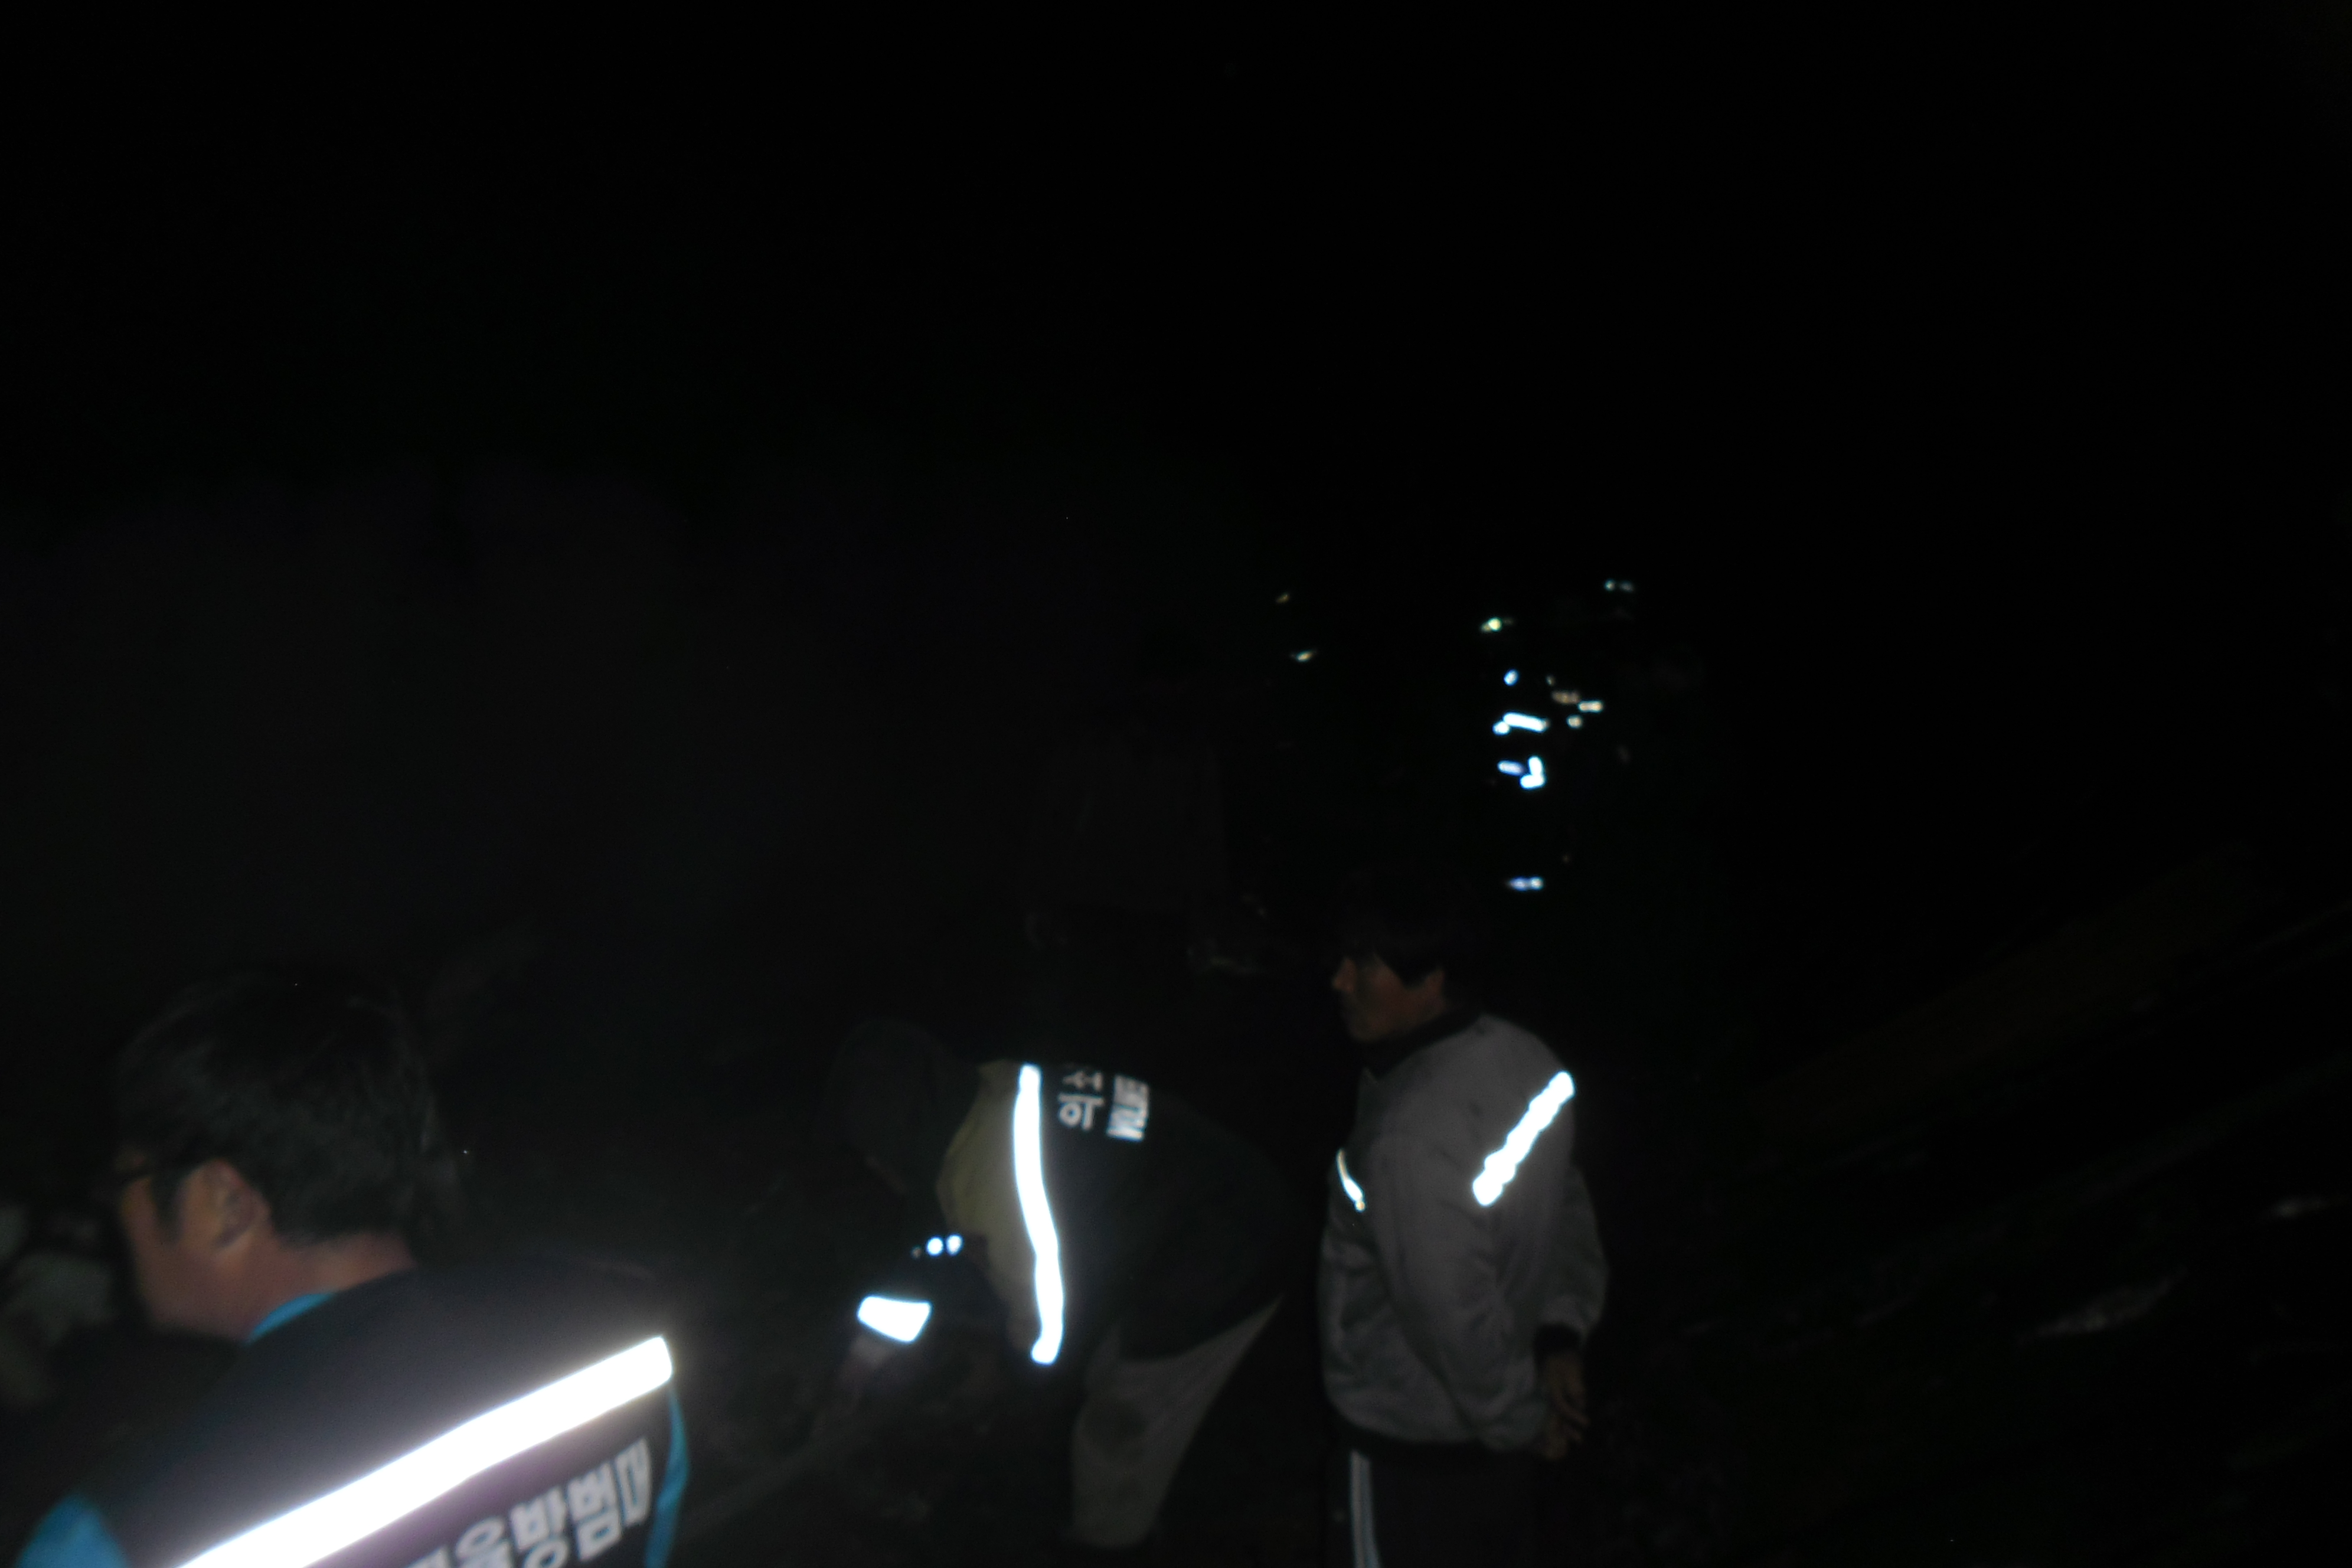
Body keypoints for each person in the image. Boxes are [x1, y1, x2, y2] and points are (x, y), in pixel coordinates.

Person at [15, 969, 688, 1568]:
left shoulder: (123, 1537)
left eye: (123, 1182)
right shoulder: (614, 1336)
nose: (115, 1211)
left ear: (224, 1203)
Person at [821, 1018, 1293, 1557]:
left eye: (872, 1151)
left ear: (897, 1138)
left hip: (1230, 1247)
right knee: (1102, 1361)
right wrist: (862, 1360)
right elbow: (924, 1251)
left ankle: (1109, 1546)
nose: (872, 1166)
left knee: (1114, 1429)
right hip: (1183, 1198)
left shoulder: (1000, 1183)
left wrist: (1002, 1373)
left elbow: (1049, 1343)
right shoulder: (980, 1099)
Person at [1317, 862, 1608, 1567]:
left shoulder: (1408, 1140)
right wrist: (1560, 1332)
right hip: (1497, 1432)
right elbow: (1565, 1201)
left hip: (1411, 1451)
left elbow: (1453, 1315)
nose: (1340, 981)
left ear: (1431, 981)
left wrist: (1524, 1422)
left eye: (1365, 965)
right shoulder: (1527, 1060)